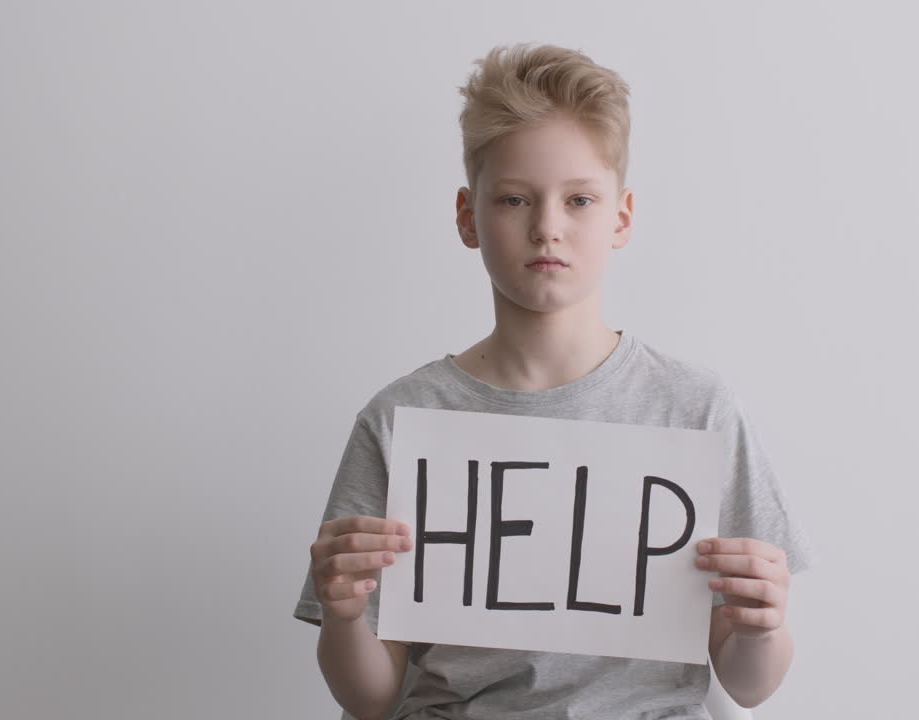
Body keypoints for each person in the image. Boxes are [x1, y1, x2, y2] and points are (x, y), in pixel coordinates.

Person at [294, 42, 817, 720]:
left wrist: (764, 623)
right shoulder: (402, 418)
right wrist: (344, 616)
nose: (547, 228)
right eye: (514, 199)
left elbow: (748, 683)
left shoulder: (693, 410)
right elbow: (371, 697)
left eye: (578, 200)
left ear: (620, 217)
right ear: (467, 217)